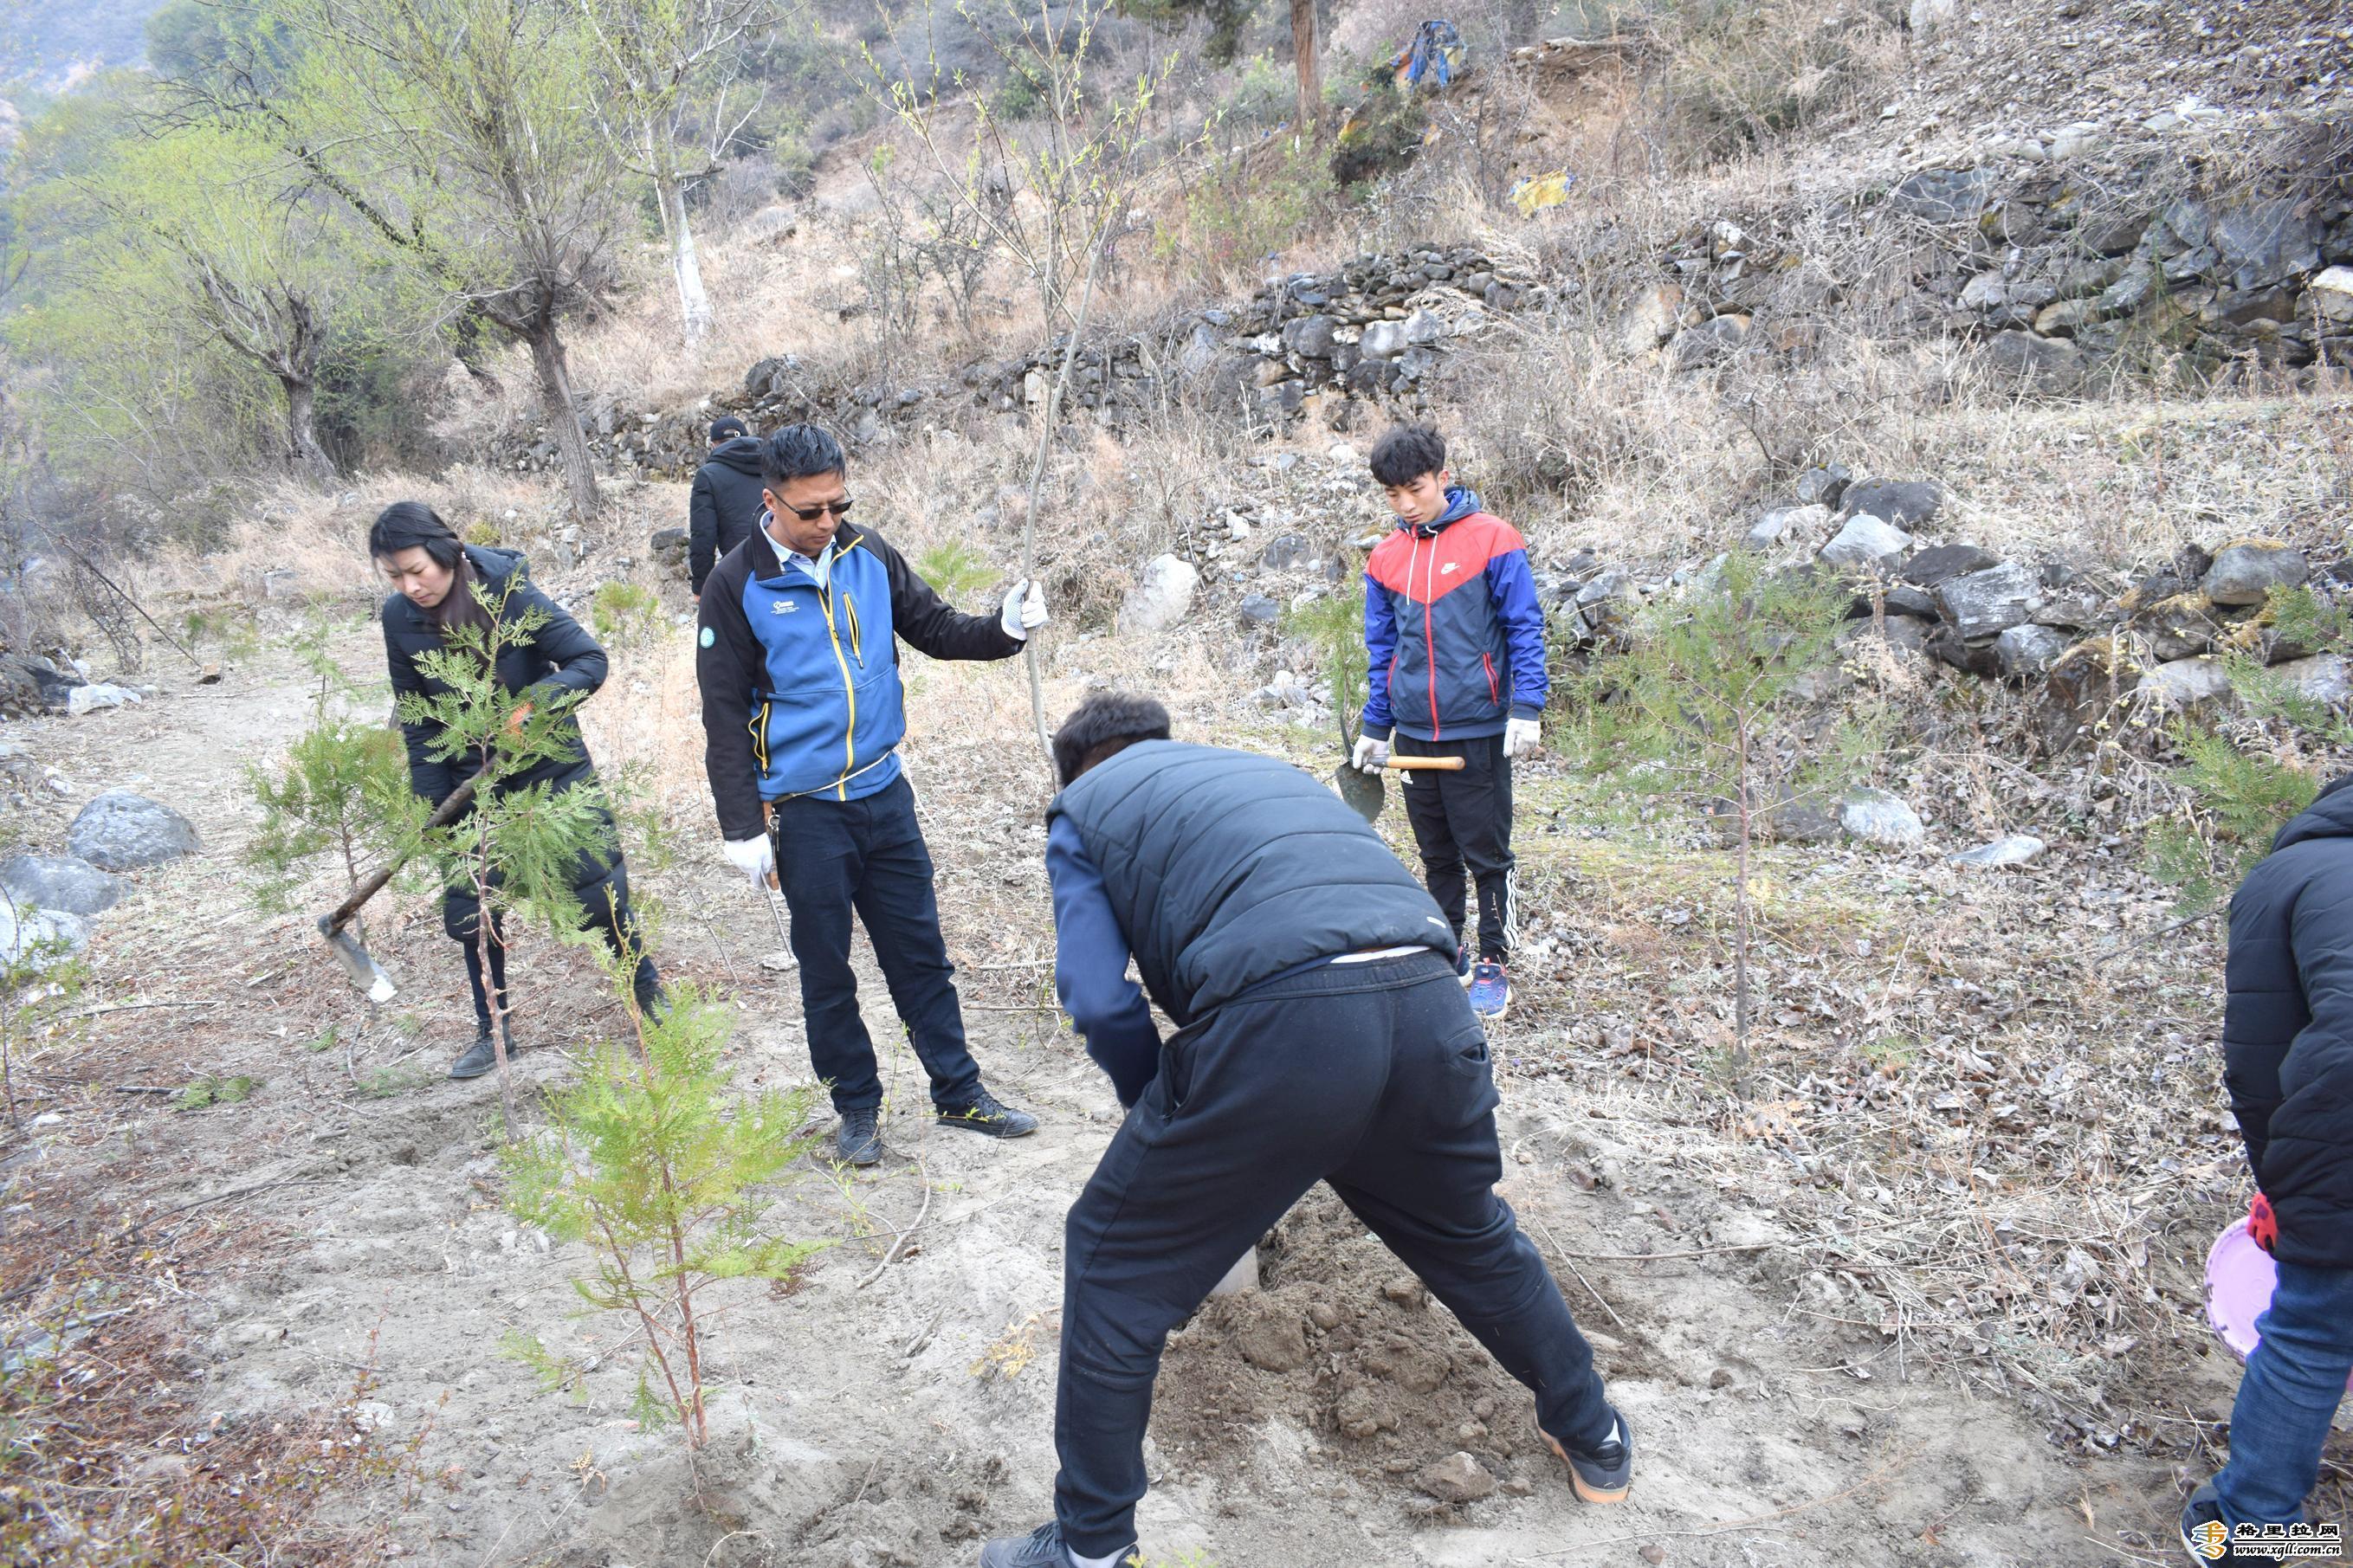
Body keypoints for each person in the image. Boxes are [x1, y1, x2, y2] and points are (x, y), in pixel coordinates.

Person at [978, 693, 1629, 1568]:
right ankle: (1594, 1438)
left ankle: (1090, 1545)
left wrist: (1159, 1103)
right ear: (1161, 745)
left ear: (1077, 767)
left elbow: (1096, 995)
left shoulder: (1084, 806)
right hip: (1431, 1003)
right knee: (1467, 1234)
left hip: (1288, 1022)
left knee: (1111, 1258)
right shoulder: (1257, 774)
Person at [695, 423, 1047, 1165]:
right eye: (810, 511)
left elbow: (936, 627)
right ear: (769, 502)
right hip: (806, 812)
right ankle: (856, 1112)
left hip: (886, 796)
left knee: (920, 955)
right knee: (827, 971)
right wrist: (741, 824)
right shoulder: (735, 585)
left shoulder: (868, 553)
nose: (828, 523)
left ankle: (959, 1093)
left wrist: (1005, 628)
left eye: (837, 504)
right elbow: (722, 715)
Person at [374, 502, 664, 1079]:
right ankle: (493, 1029)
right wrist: (433, 807)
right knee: (472, 911)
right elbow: (416, 716)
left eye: (417, 570)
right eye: (394, 576)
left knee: (598, 895)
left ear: (447, 552)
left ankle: (648, 996)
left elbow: (589, 659)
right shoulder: (398, 618)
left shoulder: (508, 592)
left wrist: (535, 706)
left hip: (552, 777)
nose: (410, 586)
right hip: (467, 784)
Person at [2182, 775, 2353, 1563]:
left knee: (2313, 1331)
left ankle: (2250, 1528)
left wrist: (2281, 1189)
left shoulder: (2284, 876)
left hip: (2338, 1124)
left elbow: (2257, 1065)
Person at [1350, 423, 1547, 1022]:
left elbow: (1524, 626)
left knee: (1484, 852)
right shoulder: (1385, 557)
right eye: (1392, 494)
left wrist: (1526, 708)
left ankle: (1492, 959)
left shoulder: (1493, 539)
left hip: (1478, 728)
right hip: (1413, 734)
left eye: (1414, 488)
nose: (1405, 504)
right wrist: (1374, 726)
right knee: (1435, 853)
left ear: (1443, 476)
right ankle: (1447, 953)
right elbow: (1382, 651)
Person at [688, 415, 766, 599]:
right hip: (785, 562)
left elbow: (704, 534)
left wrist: (701, 585)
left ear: (714, 445)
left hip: (741, 568)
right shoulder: (772, 467)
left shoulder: (707, 475)